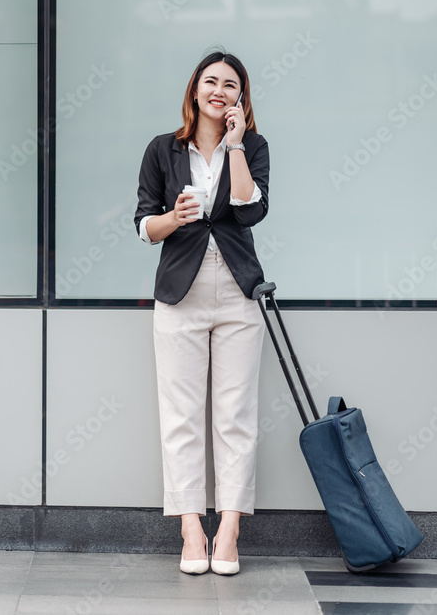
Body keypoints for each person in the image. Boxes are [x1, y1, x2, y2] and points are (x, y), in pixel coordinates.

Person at [134, 50, 269, 576]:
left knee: (235, 415)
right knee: (182, 416)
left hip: (238, 293)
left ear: (241, 97)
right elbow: (143, 225)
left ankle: (229, 530)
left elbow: (250, 208)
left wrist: (235, 146)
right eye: (210, 81)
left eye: (230, 85)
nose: (219, 90)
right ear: (194, 91)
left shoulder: (253, 146)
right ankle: (191, 526)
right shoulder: (162, 150)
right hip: (179, 295)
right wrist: (172, 217)